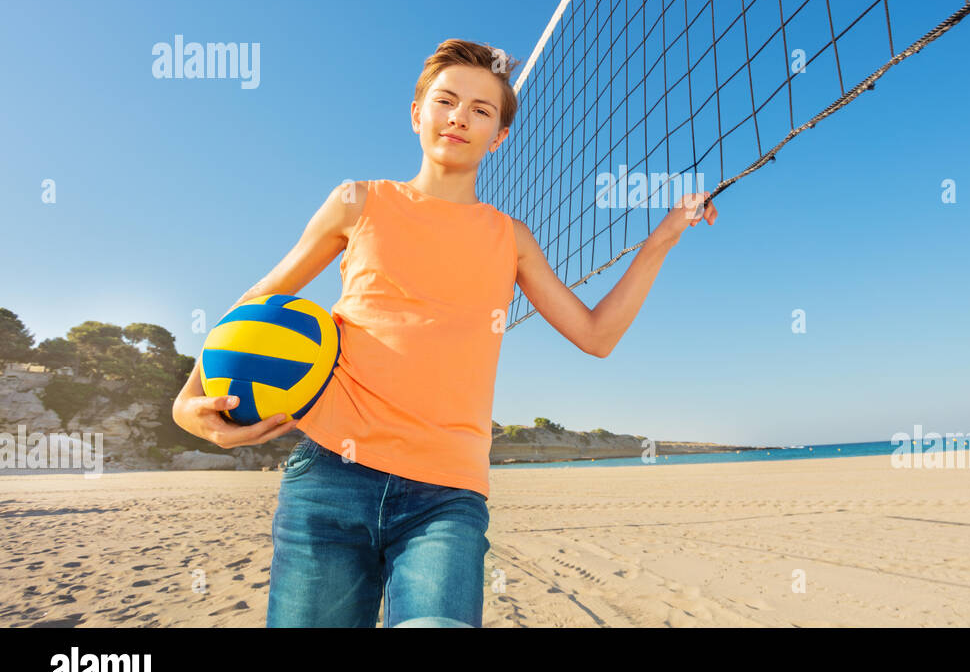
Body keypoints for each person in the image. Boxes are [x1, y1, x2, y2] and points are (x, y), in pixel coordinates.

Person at [171, 38, 718, 627]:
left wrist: (661, 240)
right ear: (416, 113)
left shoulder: (511, 238)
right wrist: (185, 404)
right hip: (329, 476)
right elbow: (255, 305)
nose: (460, 116)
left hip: (445, 497)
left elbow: (596, 334)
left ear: (499, 136)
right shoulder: (359, 202)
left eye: (482, 110)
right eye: (446, 100)